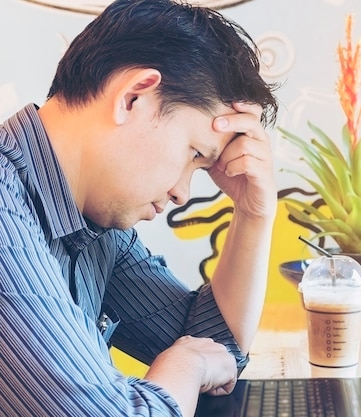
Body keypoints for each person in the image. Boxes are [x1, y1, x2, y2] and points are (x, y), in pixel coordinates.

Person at [0, 0, 279, 415]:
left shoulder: (95, 226)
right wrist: (185, 362)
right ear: (133, 98)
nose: (183, 193)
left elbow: (216, 349)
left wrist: (254, 215)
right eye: (194, 154)